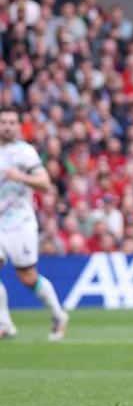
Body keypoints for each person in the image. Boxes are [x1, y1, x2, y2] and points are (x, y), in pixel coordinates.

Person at [0, 108, 69, 341]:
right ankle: (5, 324)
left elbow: (44, 182)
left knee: (27, 277)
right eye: (3, 122)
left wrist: (20, 177)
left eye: (11, 122)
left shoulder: (25, 153)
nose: (7, 126)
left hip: (20, 222)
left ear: (19, 126)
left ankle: (58, 315)